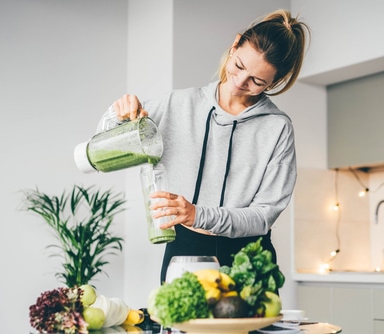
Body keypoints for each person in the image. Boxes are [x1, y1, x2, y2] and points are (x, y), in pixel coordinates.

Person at [101, 9, 311, 283]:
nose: (239, 83)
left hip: (249, 258)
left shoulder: (277, 128)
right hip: (184, 251)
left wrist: (197, 214)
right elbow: (105, 148)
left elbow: (262, 216)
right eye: (238, 66)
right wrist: (118, 114)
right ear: (235, 45)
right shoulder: (176, 105)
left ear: (276, 82)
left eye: (257, 82)